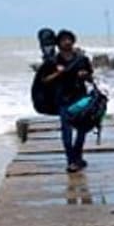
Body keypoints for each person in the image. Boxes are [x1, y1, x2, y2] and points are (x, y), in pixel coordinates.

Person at [40, 29, 93, 172]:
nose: (67, 42)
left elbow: (90, 77)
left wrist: (85, 75)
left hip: (80, 99)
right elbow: (44, 80)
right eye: (63, 40)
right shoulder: (53, 61)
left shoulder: (82, 59)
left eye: (69, 39)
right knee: (67, 132)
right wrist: (58, 73)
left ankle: (78, 157)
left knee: (82, 130)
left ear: (73, 41)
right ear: (58, 43)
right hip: (62, 99)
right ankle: (71, 161)